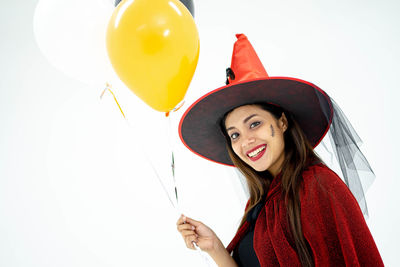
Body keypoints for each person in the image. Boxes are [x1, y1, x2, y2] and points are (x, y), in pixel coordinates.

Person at [176, 34, 383, 266]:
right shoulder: (260, 204)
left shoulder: (319, 186)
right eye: (235, 134)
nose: (246, 141)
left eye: (255, 124)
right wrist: (214, 246)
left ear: (282, 123)